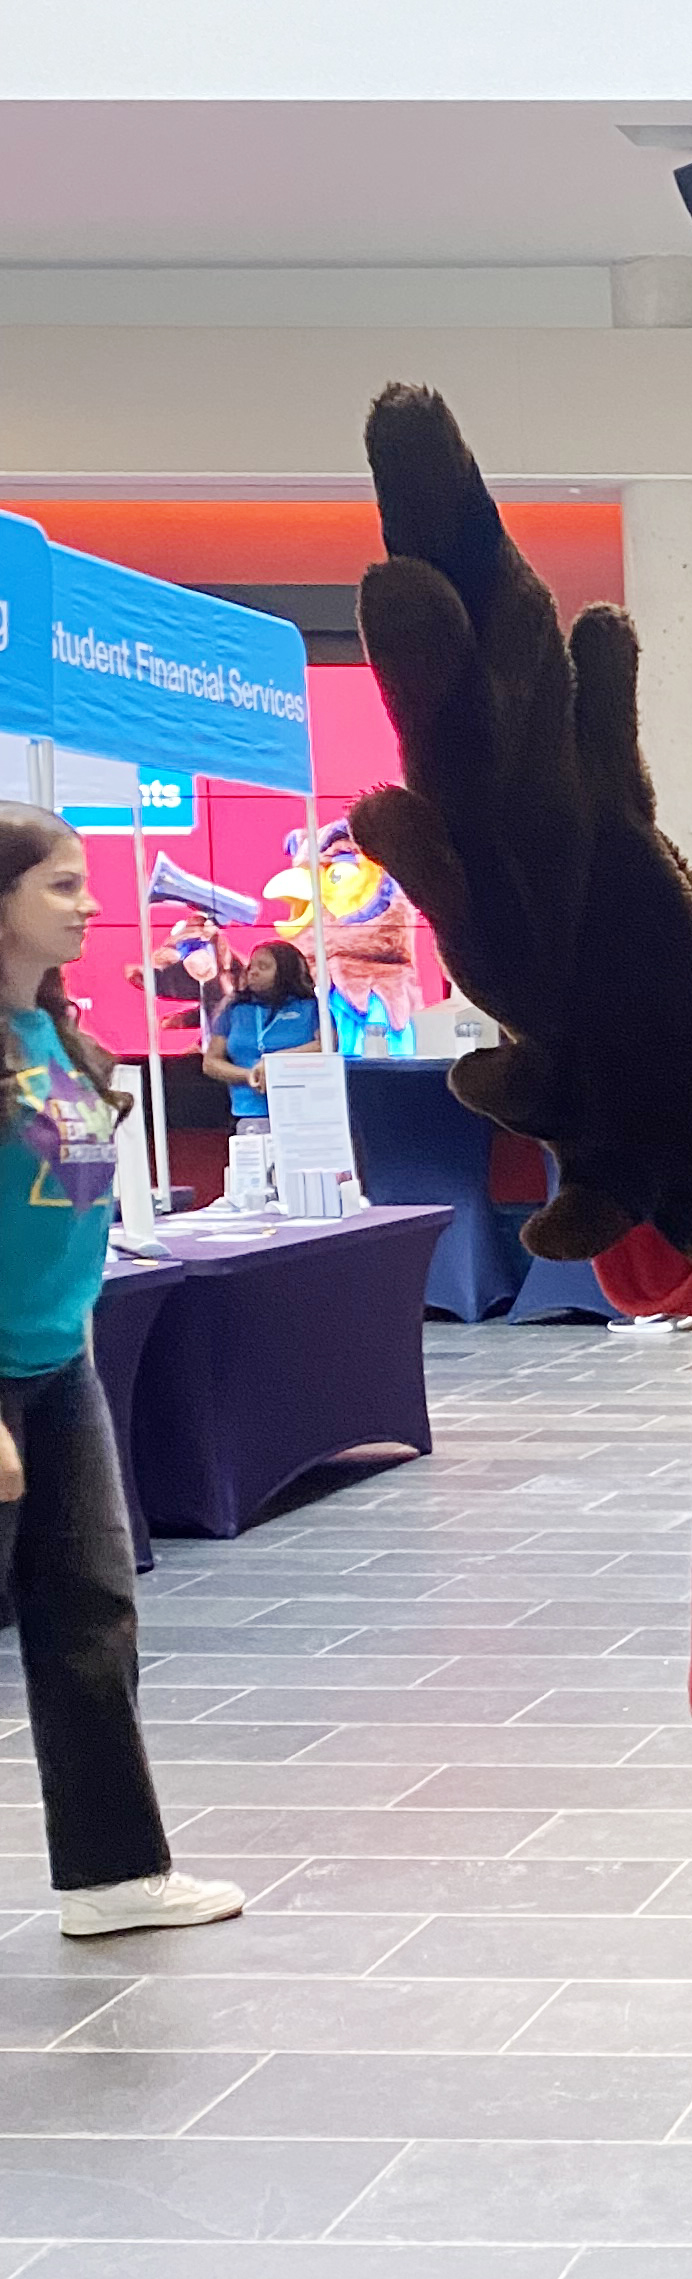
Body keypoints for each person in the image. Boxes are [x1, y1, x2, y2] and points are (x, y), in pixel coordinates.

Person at [0, 811, 243, 1943]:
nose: (89, 903)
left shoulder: (49, 1035)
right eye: (60, 884)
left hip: (59, 1369)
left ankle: (111, 1873)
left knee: (92, 1615)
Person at [202, 939, 322, 1136]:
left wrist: (275, 1063)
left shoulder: (310, 1007)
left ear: (286, 972)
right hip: (249, 1114)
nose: (253, 972)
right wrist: (248, 1075)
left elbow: (327, 1047)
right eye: (251, 967)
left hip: (304, 1113)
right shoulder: (234, 1010)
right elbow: (211, 1062)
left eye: (263, 967)